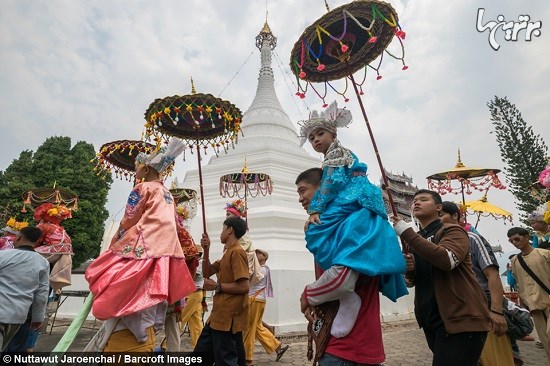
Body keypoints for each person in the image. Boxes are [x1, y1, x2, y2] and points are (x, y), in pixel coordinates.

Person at [298, 101, 407, 337]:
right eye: (311, 137)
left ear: (334, 133)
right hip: (350, 197)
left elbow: (331, 184)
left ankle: (347, 295)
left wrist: (316, 209)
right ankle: (346, 296)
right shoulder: (330, 156)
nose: (316, 139)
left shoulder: (337, 154)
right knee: (323, 233)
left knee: (317, 229)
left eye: (320, 133)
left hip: (354, 196)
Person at [84, 138, 196, 353]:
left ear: (144, 168)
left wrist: (119, 238)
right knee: (155, 288)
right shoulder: (167, 193)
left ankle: (133, 326)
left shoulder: (142, 188)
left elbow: (129, 218)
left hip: (143, 241)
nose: (135, 172)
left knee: (114, 279)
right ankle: (146, 329)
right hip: (165, 248)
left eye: (136, 168)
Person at [296, 167, 387, 366]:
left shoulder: (350, 223)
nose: (300, 198)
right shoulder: (325, 227)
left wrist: (307, 296)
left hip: (348, 348)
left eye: (303, 191)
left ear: (323, 187)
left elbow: (342, 280)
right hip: (347, 342)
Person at [391, 189, 490, 366]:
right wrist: (410, 270)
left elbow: (447, 260)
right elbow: (412, 282)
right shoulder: (416, 239)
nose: (416, 203)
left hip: (460, 317)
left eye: (423, 199)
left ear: (438, 207)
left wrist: (407, 233)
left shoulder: (452, 231)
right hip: (431, 318)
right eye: (414, 201)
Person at [440, 202, 513, 366]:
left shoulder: (473, 239)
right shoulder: (435, 244)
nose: (438, 220)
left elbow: (492, 274)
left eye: (441, 215)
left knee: (492, 358)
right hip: (455, 311)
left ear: (455, 216)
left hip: (482, 306)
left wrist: (496, 311)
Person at [194, 217, 250, 366]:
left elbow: (244, 287)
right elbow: (207, 272)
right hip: (217, 318)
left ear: (230, 230)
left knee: (226, 360)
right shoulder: (227, 252)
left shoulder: (237, 252)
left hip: (227, 318)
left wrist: (218, 286)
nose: (220, 233)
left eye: (223, 229)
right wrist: (206, 250)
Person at [0, 227, 49, 351]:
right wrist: (38, 317)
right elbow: (42, 294)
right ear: (37, 242)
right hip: (18, 316)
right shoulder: (43, 262)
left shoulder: (3, 255)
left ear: (19, 237)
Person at [508, 226, 550, 363]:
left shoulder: (543, 254)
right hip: (534, 305)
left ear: (526, 237)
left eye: (517, 239)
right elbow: (518, 281)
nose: (514, 242)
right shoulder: (515, 261)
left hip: (548, 299)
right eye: (511, 240)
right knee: (545, 341)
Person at [243, 249, 289, 365]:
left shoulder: (262, 269)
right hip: (258, 299)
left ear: (264, 257)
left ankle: (247, 357)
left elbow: (251, 279)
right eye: (256, 253)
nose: (257, 255)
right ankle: (277, 347)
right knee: (257, 327)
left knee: (249, 329)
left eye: (259, 253)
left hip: (255, 299)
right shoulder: (262, 268)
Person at [225, 199, 263, 286]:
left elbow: (244, 246)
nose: (226, 217)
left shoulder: (241, 230)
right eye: (226, 215)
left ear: (236, 216)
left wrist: (231, 250)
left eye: (228, 214)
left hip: (242, 256)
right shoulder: (230, 230)